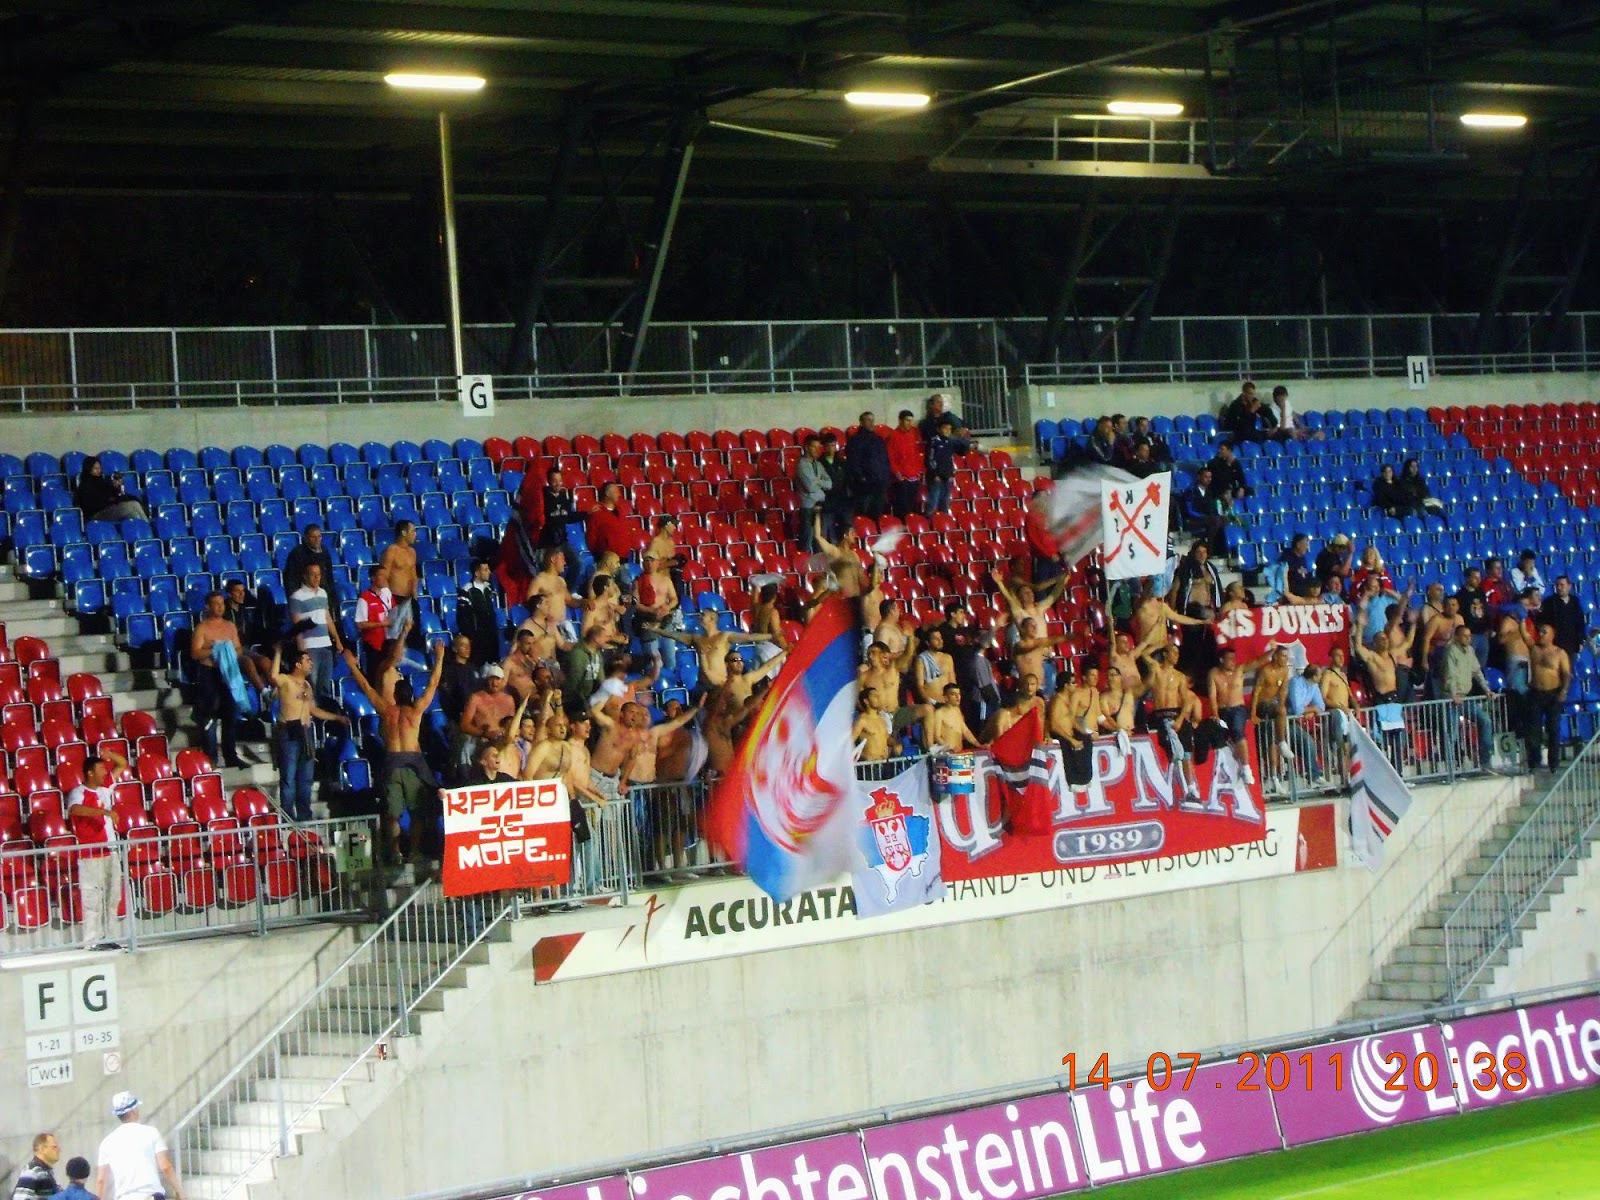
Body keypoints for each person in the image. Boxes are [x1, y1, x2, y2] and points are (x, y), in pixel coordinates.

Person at [341, 640, 447, 876]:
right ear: (409, 695)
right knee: (416, 811)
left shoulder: (385, 709)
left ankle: (397, 850)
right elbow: (433, 684)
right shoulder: (416, 710)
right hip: (412, 763)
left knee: (393, 813)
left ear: (395, 695)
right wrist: (439, 658)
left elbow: (366, 687)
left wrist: (351, 666)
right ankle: (414, 851)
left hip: (392, 762)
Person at [269, 644, 350, 822]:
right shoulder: (286, 680)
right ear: (298, 665)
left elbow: (313, 710)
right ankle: (288, 815)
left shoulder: (306, 685)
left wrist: (336, 718)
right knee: (288, 777)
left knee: (305, 778)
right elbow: (273, 677)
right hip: (288, 731)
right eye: (307, 660)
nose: (311, 663)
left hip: (305, 732)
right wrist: (278, 651)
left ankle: (304, 814)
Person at [189, 591, 247, 768]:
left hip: (228, 673)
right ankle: (210, 757)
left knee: (230, 715)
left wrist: (228, 651)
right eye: (216, 603)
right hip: (209, 673)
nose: (220, 607)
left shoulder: (230, 626)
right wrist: (215, 651)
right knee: (210, 715)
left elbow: (238, 649)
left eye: (222, 603)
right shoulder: (202, 628)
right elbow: (195, 653)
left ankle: (231, 755)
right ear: (208, 606)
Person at [97, 1092, 183, 1200]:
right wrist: (180, 1192)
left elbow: (101, 1180)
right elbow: (165, 1167)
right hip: (150, 1195)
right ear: (133, 1111)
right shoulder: (151, 1133)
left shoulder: (107, 1142)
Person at [1439, 623, 1499, 773]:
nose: (1468, 638)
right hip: (1450, 698)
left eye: (1469, 635)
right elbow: (1450, 675)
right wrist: (1453, 694)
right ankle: (1451, 769)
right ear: (1457, 637)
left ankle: (1485, 761)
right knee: (1452, 734)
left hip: (1465, 697)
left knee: (1485, 720)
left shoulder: (1470, 651)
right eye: (1464, 635)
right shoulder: (1451, 651)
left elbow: (1478, 672)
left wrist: (1487, 690)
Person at [287, 561, 340, 701]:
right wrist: (302, 649)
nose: (317, 578)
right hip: (310, 646)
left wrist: (337, 640)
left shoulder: (323, 593)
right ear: (305, 576)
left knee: (325, 684)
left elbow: (327, 618)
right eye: (313, 574)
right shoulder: (297, 597)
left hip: (326, 644)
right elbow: (296, 624)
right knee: (312, 683)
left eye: (319, 574)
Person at [1526, 622, 1571, 773]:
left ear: (1552, 635)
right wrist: (1521, 618)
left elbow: (1565, 674)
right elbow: (1525, 634)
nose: (1541, 634)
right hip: (1536, 692)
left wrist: (1563, 691)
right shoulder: (1534, 649)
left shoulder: (1559, 653)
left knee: (1553, 729)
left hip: (1553, 693)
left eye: (1545, 632)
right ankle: (1534, 762)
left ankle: (1554, 763)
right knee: (1533, 730)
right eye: (1540, 632)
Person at [845, 410, 892, 521]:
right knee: (864, 514)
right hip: (865, 485)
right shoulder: (855, 441)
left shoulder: (878, 440)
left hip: (880, 483)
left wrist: (886, 476)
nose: (871, 423)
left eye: (872, 420)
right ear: (861, 422)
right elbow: (853, 462)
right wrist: (861, 478)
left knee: (877, 513)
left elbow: (885, 459)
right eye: (868, 420)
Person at [72, 456, 147, 523]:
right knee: (130, 508)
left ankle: (146, 527)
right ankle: (145, 527)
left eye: (99, 468)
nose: (99, 471)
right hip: (97, 514)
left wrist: (116, 488)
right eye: (95, 468)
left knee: (135, 504)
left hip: (108, 509)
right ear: (89, 469)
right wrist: (111, 500)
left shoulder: (102, 481)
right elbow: (94, 504)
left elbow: (114, 494)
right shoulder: (85, 486)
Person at [455, 558, 500, 666]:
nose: (489, 572)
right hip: (477, 640)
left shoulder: (488, 589)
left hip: (491, 637)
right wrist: (471, 636)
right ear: (476, 573)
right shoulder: (466, 590)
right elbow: (462, 617)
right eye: (485, 569)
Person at [379, 520, 420, 638]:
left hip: (409, 600)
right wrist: (389, 600)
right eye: (413, 531)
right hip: (395, 599)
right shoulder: (391, 551)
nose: (415, 534)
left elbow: (413, 575)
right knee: (394, 637)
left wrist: (414, 595)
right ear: (403, 532)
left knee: (412, 636)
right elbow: (382, 576)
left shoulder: (412, 552)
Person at [923, 415, 970, 516]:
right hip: (936, 477)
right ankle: (929, 521)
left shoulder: (950, 442)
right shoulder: (934, 441)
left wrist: (951, 475)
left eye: (949, 429)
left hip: (947, 476)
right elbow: (929, 459)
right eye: (945, 428)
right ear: (939, 429)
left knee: (945, 502)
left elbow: (962, 451)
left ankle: (943, 522)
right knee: (933, 501)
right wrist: (935, 475)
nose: (947, 431)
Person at [795, 435, 831, 555]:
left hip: (821, 505)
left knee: (820, 540)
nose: (817, 450)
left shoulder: (818, 465)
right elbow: (810, 487)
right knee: (807, 539)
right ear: (806, 447)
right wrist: (820, 483)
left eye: (818, 447)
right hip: (809, 507)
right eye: (813, 447)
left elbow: (829, 484)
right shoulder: (802, 465)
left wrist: (817, 481)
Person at [884, 409, 924, 519]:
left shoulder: (912, 435)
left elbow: (916, 454)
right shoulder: (893, 436)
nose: (910, 423)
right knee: (902, 508)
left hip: (913, 477)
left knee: (913, 506)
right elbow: (890, 457)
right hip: (901, 478)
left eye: (911, 421)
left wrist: (919, 471)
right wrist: (897, 473)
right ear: (900, 421)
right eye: (907, 420)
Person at [355, 564, 393, 678]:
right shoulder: (364, 598)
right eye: (381, 575)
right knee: (375, 675)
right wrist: (381, 624)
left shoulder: (387, 593)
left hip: (388, 642)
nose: (384, 578)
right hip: (374, 645)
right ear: (373, 578)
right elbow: (360, 624)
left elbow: (393, 611)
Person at [284, 525, 337, 605]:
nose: (317, 540)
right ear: (306, 538)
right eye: (313, 537)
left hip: (322, 593)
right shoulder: (297, 553)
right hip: (304, 595)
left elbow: (329, 575)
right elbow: (290, 578)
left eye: (319, 536)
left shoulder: (324, 551)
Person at [585, 482, 636, 560]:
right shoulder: (597, 514)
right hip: (606, 560)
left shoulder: (620, 511)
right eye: (616, 492)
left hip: (623, 558)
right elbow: (591, 537)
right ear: (607, 494)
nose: (619, 494)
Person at [819, 433, 853, 543]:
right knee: (827, 531)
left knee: (845, 529)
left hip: (842, 500)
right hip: (827, 501)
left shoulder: (842, 462)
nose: (831, 448)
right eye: (828, 445)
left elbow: (848, 480)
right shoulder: (819, 463)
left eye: (833, 445)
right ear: (824, 447)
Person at [1545, 575, 1587, 659]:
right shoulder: (1550, 602)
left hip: (1571, 644)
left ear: (1569, 586)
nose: (1559, 588)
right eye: (1557, 585)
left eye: (1562, 585)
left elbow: (1580, 622)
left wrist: (1580, 641)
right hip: (1555, 644)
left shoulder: (1575, 601)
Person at [13, 1133, 61, 1200]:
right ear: (42, 1149)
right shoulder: (32, 1170)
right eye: (54, 1147)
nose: (59, 1150)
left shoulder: (46, 1172)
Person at [1396, 458, 1447, 522]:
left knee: (1438, 510)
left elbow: (1425, 493)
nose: (1415, 469)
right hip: (1411, 505)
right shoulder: (1401, 481)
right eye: (1412, 466)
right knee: (1422, 512)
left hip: (1422, 502)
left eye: (1416, 466)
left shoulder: (1420, 480)